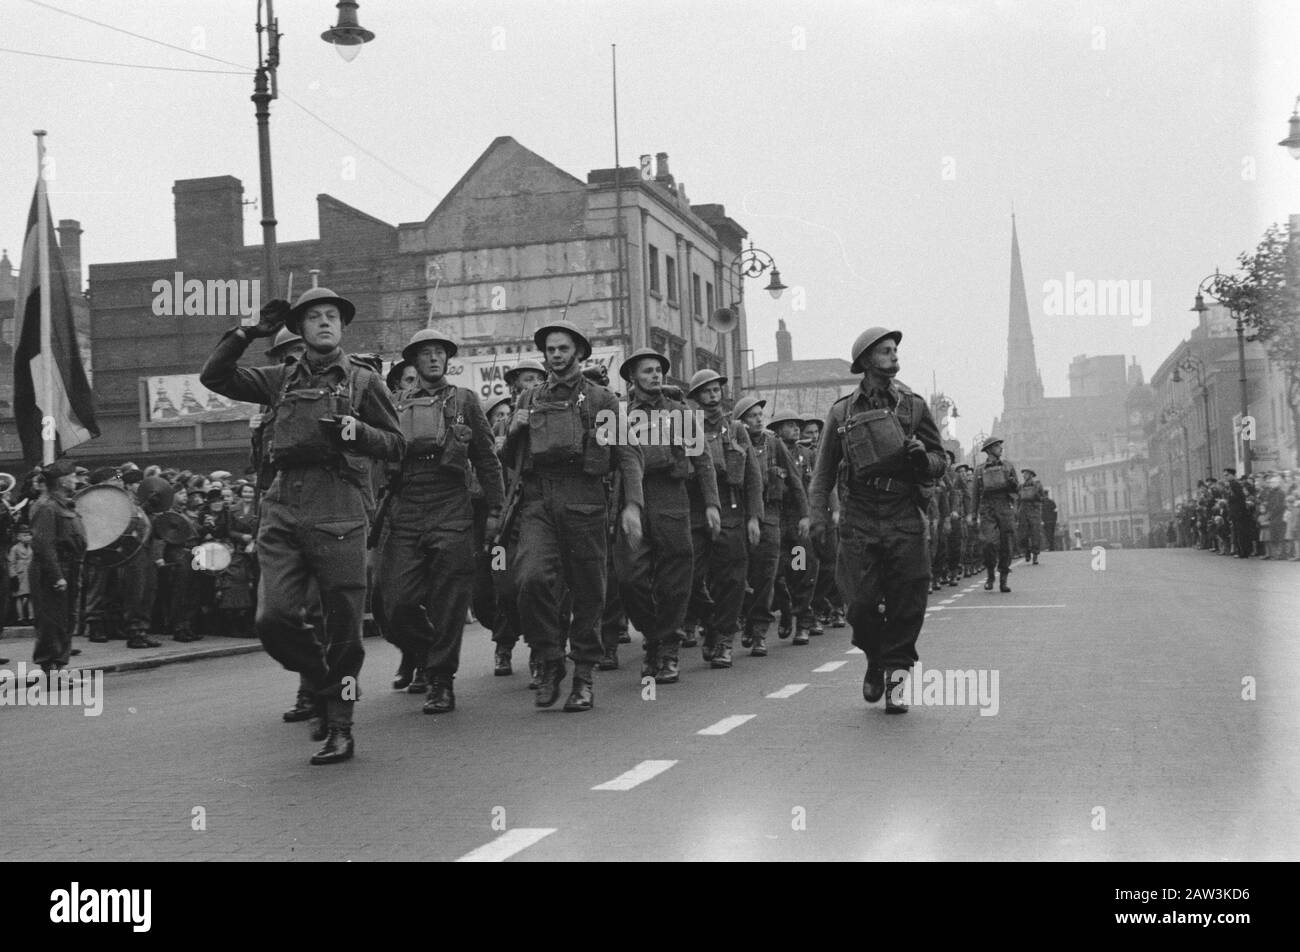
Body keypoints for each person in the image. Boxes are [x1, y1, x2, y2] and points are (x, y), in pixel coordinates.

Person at [201, 286, 405, 765]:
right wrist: (249, 331)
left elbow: (396, 445)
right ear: (301, 328)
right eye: (314, 317)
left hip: (339, 507)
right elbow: (215, 376)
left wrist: (361, 433)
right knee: (272, 619)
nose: (324, 323)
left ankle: (340, 726)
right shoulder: (279, 379)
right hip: (283, 506)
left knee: (345, 631)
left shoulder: (363, 382)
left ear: (342, 325)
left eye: (332, 315)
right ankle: (318, 678)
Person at [504, 319, 644, 711]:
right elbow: (508, 460)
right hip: (538, 500)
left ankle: (584, 673)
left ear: (579, 353)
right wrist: (513, 432)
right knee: (529, 579)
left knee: (588, 591)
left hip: (585, 500)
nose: (556, 355)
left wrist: (632, 505)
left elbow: (627, 454)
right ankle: (549, 658)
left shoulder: (601, 400)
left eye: (564, 348)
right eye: (550, 349)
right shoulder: (528, 399)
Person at [809, 327, 947, 714]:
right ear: (867, 360)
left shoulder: (914, 407)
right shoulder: (842, 412)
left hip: (903, 512)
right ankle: (874, 656)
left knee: (908, 602)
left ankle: (897, 675)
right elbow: (822, 474)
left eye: (895, 350)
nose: (894, 356)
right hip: (860, 516)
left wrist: (924, 458)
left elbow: (940, 462)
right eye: (886, 351)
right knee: (858, 603)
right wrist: (817, 516)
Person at [377, 328, 504, 715]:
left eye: (439, 353)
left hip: (451, 502)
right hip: (408, 503)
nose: (433, 359)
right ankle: (428, 650)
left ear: (447, 360)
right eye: (425, 354)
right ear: (413, 362)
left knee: (448, 600)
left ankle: (441, 679)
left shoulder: (465, 400)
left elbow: (485, 458)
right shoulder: (394, 404)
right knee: (393, 600)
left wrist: (496, 511)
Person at [614, 347, 719, 682]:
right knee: (630, 578)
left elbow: (702, 461)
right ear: (633, 377)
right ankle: (654, 636)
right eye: (647, 371)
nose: (655, 375)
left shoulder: (679, 411)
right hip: (634, 498)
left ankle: (667, 649)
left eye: (658, 370)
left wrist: (712, 504)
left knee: (674, 578)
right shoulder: (621, 415)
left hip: (672, 497)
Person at [683, 369, 762, 669]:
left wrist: (754, 516)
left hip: (731, 509)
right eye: (706, 391)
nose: (713, 396)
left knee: (732, 580)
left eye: (716, 390)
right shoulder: (688, 428)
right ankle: (710, 623)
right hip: (696, 508)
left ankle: (724, 639)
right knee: (689, 576)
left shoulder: (737, 429)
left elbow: (753, 476)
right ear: (696, 397)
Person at [736, 397, 806, 655]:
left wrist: (805, 515)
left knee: (768, 575)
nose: (757, 419)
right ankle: (749, 619)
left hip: (772, 516)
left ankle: (759, 632)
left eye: (759, 415)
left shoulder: (774, 444)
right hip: (739, 516)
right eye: (751, 415)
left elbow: (796, 482)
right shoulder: (733, 441)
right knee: (740, 575)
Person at [29, 459, 87, 675]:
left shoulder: (63, 504)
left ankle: (59, 667)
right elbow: (43, 544)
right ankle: (50, 668)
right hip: (53, 570)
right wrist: (56, 575)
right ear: (62, 481)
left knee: (66, 619)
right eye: (72, 476)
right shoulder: (46, 506)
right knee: (52, 621)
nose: (75, 479)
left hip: (69, 567)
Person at [770, 409, 819, 641]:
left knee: (800, 570)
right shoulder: (771, 452)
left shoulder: (806, 455)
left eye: (797, 425)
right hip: (776, 519)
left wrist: (806, 515)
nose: (796, 428)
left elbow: (807, 487)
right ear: (778, 429)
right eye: (789, 425)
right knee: (777, 573)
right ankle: (787, 612)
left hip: (797, 523)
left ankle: (803, 621)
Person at [972, 437, 1020, 591]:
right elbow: (975, 494)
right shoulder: (979, 470)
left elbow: (1016, 490)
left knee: (1007, 543)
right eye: (997, 446)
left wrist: (1013, 486)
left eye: (1000, 446)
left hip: (1005, 506)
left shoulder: (1007, 466)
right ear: (989, 450)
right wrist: (973, 515)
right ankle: (990, 574)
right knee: (988, 542)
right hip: (987, 508)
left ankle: (1003, 579)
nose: (1001, 448)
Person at [1017, 468, 1044, 564]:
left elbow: (1042, 498)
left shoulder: (1037, 485)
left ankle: (1035, 555)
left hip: (1034, 511)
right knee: (1023, 534)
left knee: (1035, 534)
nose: (1024, 475)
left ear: (1031, 475)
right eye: (1023, 474)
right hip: (1023, 511)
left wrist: (1036, 496)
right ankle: (1026, 550)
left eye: (1026, 474)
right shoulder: (1020, 486)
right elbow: (1017, 500)